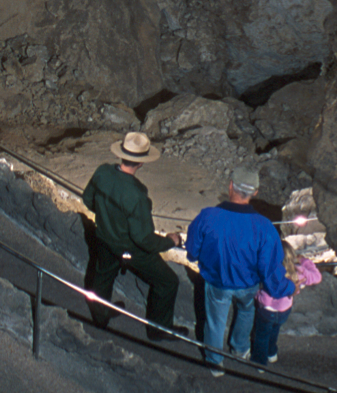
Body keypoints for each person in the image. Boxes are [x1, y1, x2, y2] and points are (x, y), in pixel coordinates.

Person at [185, 165, 294, 373]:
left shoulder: (208, 216)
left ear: (230, 186)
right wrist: (287, 287)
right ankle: (240, 349)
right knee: (246, 312)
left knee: (215, 321)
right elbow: (270, 268)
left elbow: (192, 249)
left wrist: (194, 257)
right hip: (249, 284)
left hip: (217, 282)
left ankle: (215, 362)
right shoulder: (264, 227)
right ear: (255, 193)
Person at [81, 132, 180, 341]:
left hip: (103, 238)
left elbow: (89, 200)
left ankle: (100, 317)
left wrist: (108, 219)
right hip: (130, 249)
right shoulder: (137, 195)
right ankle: (157, 330)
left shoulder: (102, 172)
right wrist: (170, 241)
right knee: (168, 281)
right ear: (141, 163)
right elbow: (143, 239)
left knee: (103, 276)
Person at [250, 247, 321, 365]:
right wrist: (304, 261)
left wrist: (257, 296)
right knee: (274, 331)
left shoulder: (271, 274)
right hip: (284, 311)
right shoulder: (298, 273)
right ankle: (272, 354)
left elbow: (264, 296)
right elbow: (317, 277)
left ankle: (259, 361)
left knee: (262, 335)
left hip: (267, 311)